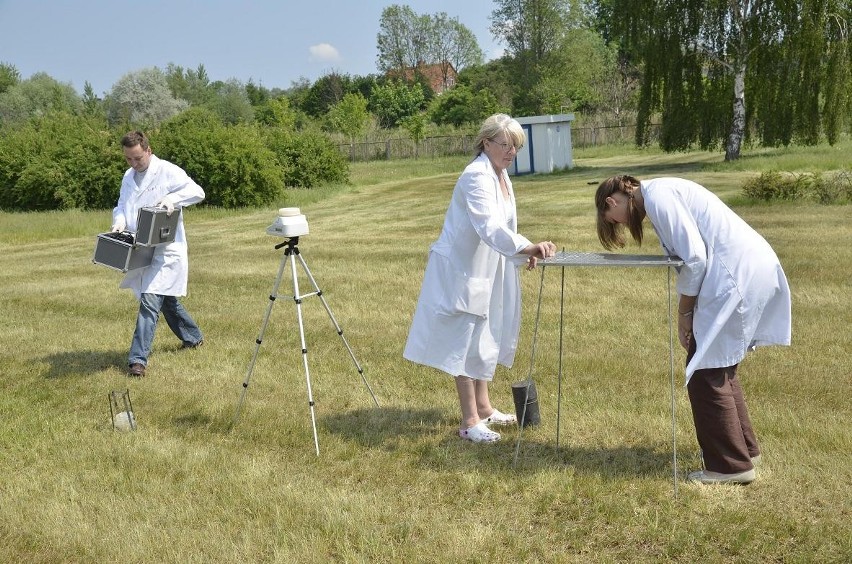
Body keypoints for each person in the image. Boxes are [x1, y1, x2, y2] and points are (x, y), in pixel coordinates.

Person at [595, 175, 791, 484]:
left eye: (614, 221)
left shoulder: (658, 197)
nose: (620, 225)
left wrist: (684, 311)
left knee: (705, 373)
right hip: (749, 267)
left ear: (612, 202)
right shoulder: (660, 193)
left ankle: (730, 467)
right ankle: (746, 451)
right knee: (719, 365)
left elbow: (695, 259)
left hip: (734, 274)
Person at [404, 114, 557, 443]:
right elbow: (488, 226)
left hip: (485, 267)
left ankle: (485, 408)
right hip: (461, 270)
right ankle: (470, 421)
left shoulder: (500, 175)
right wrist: (526, 246)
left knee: (484, 335)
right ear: (485, 143)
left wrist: (522, 253)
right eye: (505, 144)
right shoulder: (476, 175)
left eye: (516, 146)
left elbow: (504, 230)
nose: (511, 151)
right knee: (464, 339)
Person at [111, 131, 206, 377]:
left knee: (150, 300)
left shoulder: (167, 171)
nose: (133, 164)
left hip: (166, 250)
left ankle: (137, 361)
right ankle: (193, 337)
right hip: (140, 247)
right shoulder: (128, 176)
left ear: (148, 151)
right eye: (129, 159)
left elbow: (198, 192)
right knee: (167, 300)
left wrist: (172, 199)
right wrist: (119, 222)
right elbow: (121, 205)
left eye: (138, 158)